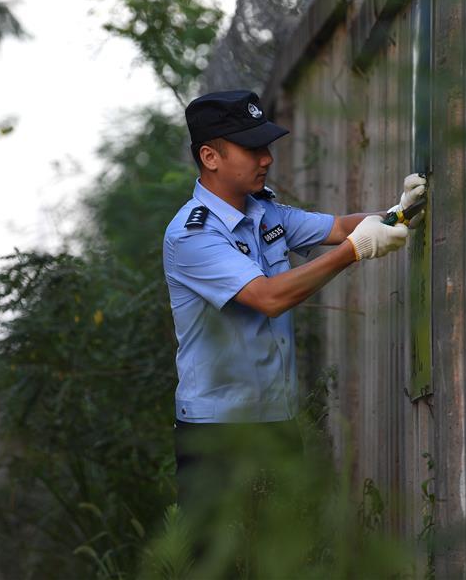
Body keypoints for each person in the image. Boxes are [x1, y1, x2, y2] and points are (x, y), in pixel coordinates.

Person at [163, 90, 426, 512]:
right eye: (252, 148)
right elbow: (268, 298)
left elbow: (340, 227)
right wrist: (355, 251)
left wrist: (398, 212)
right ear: (210, 157)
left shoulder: (264, 212)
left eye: (265, 146)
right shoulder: (193, 235)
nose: (266, 158)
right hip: (218, 435)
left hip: (277, 424)